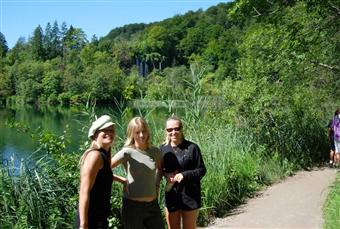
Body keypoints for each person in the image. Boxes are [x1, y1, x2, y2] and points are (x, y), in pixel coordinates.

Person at [111, 117, 164, 229]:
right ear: (132, 134)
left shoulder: (155, 151)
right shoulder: (127, 152)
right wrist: (121, 180)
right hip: (132, 206)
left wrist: (157, 185)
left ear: (147, 131)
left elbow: (160, 169)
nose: (141, 135)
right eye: (137, 132)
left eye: (143, 131)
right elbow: (103, 169)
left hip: (152, 205)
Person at [160, 116, 206, 229]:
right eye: (169, 130)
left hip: (190, 195)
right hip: (171, 195)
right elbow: (159, 170)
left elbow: (201, 170)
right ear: (166, 131)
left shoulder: (192, 148)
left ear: (182, 129)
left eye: (177, 128)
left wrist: (184, 175)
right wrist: (166, 175)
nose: (173, 132)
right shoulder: (162, 149)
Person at [76, 115, 117, 229]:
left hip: (100, 217)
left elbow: (101, 177)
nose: (109, 133)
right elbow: (84, 191)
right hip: (90, 219)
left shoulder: (104, 154)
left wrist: (121, 179)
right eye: (105, 130)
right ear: (95, 135)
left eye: (111, 130)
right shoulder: (95, 155)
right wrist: (83, 225)